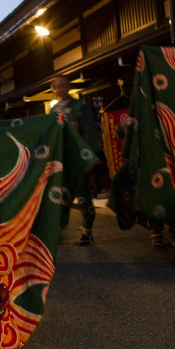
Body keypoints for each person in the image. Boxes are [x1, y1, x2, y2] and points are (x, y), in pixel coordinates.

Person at [50, 75, 103, 246]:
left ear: (69, 86)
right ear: (53, 89)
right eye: (57, 86)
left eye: (63, 85)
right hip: (62, 159)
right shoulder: (53, 110)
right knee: (60, 195)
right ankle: (58, 230)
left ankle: (87, 230)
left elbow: (90, 132)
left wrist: (91, 158)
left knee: (83, 195)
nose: (60, 89)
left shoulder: (81, 107)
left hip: (79, 158)